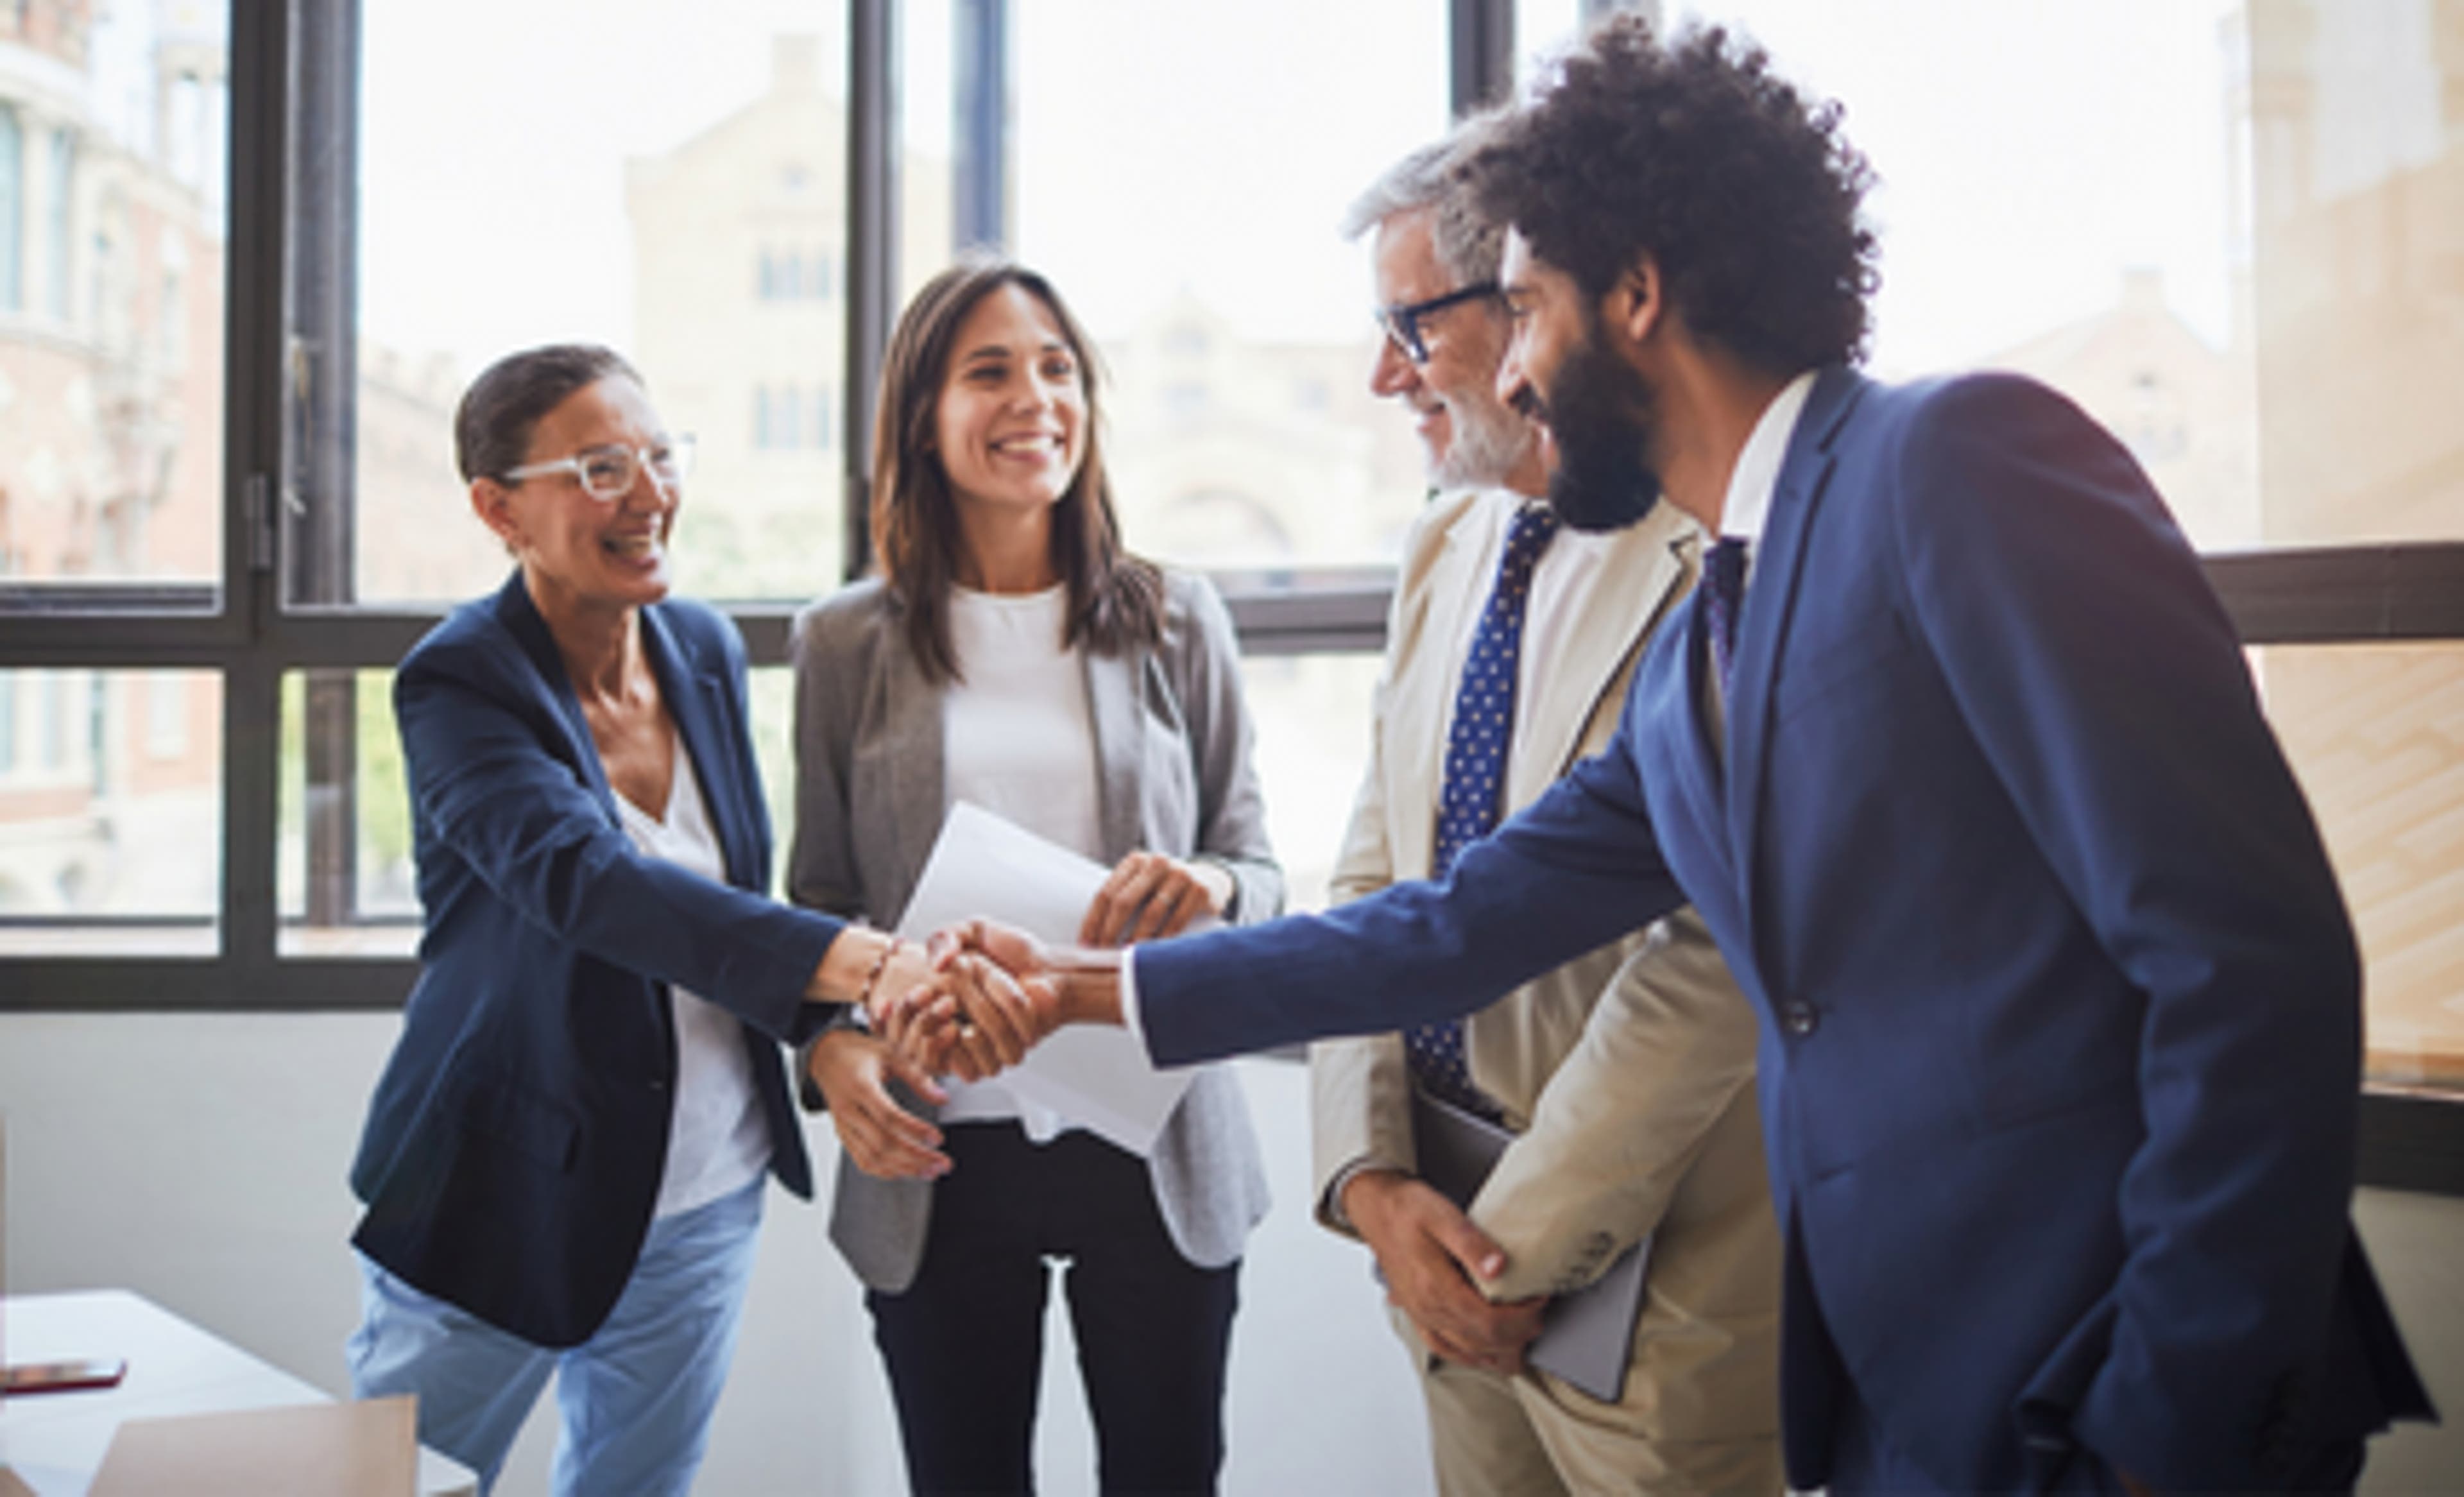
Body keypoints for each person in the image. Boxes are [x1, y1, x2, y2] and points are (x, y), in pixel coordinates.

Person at [912, 19, 2436, 1494]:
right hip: (1911, 1401)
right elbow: (1453, 925)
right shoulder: (1719, 621)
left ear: (1636, 292)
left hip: (2108, 1389)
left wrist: (2172, 1427)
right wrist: (1078, 996)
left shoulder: (1958, 463)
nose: (1508, 375)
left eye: (1528, 308)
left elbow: (2251, 962)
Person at [345, 345, 930, 1494]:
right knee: (396, 1486)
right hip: (501, 1186)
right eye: (603, 468)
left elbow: (729, 909)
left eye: (661, 458)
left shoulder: (701, 647)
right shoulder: (460, 681)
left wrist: (825, 1028)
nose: (652, 495)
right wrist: (853, 958)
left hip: (703, 1190)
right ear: (497, 506)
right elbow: (585, 882)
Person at [1311, 133, 1780, 1494]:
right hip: (1433, 1232)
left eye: (1412, 327)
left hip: (1657, 1283)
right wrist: (1370, 1185)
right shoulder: (1443, 539)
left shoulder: (1719, 554)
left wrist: (1506, 1246)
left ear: (1531, 307)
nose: (1384, 375)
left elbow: (1711, 964)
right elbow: (1372, 880)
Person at [789, 254, 1281, 1497]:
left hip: (1152, 1136)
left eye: (1059, 369)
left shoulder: (1179, 617)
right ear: (923, 415)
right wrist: (832, 1048)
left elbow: (1260, 868)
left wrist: (1212, 889)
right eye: (992, 371)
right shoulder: (845, 641)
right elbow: (816, 906)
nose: (1036, 399)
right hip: (942, 1148)